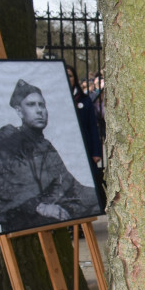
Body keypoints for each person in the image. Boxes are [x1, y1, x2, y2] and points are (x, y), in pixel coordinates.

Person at [0, 79, 101, 233]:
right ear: (19, 111)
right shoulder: (9, 137)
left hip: (50, 204)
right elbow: (6, 186)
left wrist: (98, 196)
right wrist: (40, 206)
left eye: (42, 105)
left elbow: (68, 184)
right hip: (22, 212)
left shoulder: (45, 145)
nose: (39, 110)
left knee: (98, 200)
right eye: (31, 105)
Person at [65, 64, 105, 211]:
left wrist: (96, 151)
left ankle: (83, 216)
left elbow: (92, 127)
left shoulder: (85, 100)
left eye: (70, 75)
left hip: (84, 147)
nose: (67, 78)